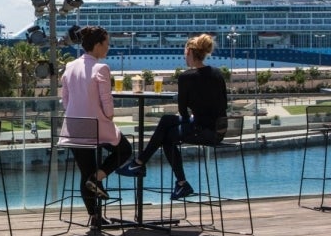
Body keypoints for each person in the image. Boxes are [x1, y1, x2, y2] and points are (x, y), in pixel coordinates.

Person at [117, 33, 228, 200]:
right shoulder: (217, 74)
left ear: (190, 52)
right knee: (166, 121)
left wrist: (188, 119)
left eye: (185, 53)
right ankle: (146, 167)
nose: (184, 56)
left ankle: (143, 165)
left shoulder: (186, 77)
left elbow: (182, 110)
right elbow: (223, 104)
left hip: (203, 131)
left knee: (167, 136)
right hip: (218, 130)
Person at [61, 26, 132, 218]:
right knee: (125, 150)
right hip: (97, 127)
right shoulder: (101, 68)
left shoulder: (69, 66)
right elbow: (107, 102)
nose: (108, 47)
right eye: (106, 43)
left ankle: (95, 217)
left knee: (86, 171)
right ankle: (98, 177)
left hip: (74, 128)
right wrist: (109, 117)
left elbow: (64, 100)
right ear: (98, 45)